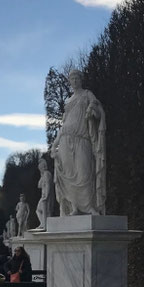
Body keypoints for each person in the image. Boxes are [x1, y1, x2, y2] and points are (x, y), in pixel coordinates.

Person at [50, 69, 106, 216]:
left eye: (76, 78)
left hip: (82, 139)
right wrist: (55, 144)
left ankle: (89, 207)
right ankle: (74, 207)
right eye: (72, 79)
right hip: (65, 140)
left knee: (84, 172)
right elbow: (64, 124)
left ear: (81, 80)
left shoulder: (87, 94)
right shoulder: (68, 101)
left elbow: (98, 112)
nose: (74, 81)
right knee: (69, 175)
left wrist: (92, 111)